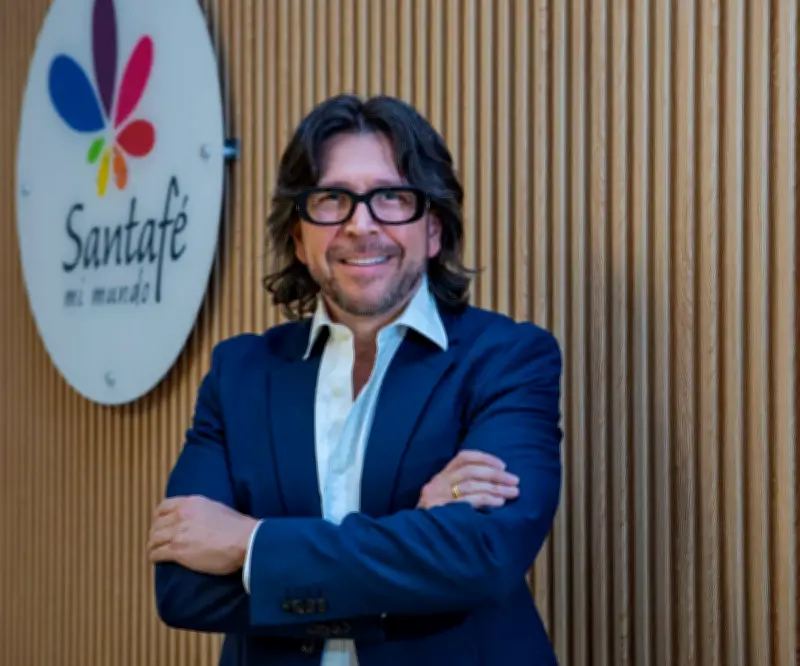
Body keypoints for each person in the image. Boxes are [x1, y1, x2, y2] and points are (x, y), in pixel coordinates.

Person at [147, 93, 563, 666]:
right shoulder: (239, 374)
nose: (360, 224)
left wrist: (249, 543)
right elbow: (183, 588)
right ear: (299, 238)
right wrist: (415, 539)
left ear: (434, 230)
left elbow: (483, 556)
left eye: (391, 197)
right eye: (331, 199)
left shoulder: (506, 359)